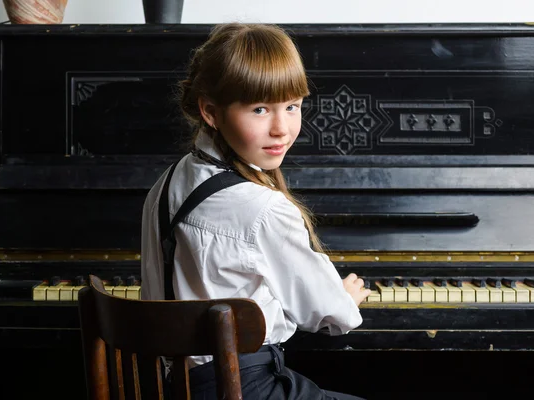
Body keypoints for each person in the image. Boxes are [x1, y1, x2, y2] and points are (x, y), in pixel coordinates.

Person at [141, 22, 370, 400]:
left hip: (179, 387)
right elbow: (330, 314)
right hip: (243, 388)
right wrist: (342, 298)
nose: (282, 128)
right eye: (260, 109)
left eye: (292, 106)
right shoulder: (263, 209)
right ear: (211, 112)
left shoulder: (167, 183)